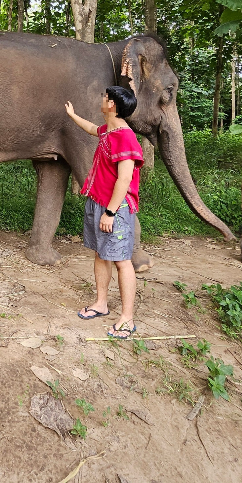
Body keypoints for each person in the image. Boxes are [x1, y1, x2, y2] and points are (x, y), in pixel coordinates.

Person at [65, 86, 143, 339]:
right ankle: (101, 304)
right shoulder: (108, 129)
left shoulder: (126, 137)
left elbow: (124, 180)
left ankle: (127, 319)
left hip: (115, 207)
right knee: (101, 254)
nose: (102, 99)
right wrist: (72, 115)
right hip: (99, 201)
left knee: (122, 261)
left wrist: (110, 213)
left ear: (112, 105)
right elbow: (90, 128)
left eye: (105, 97)